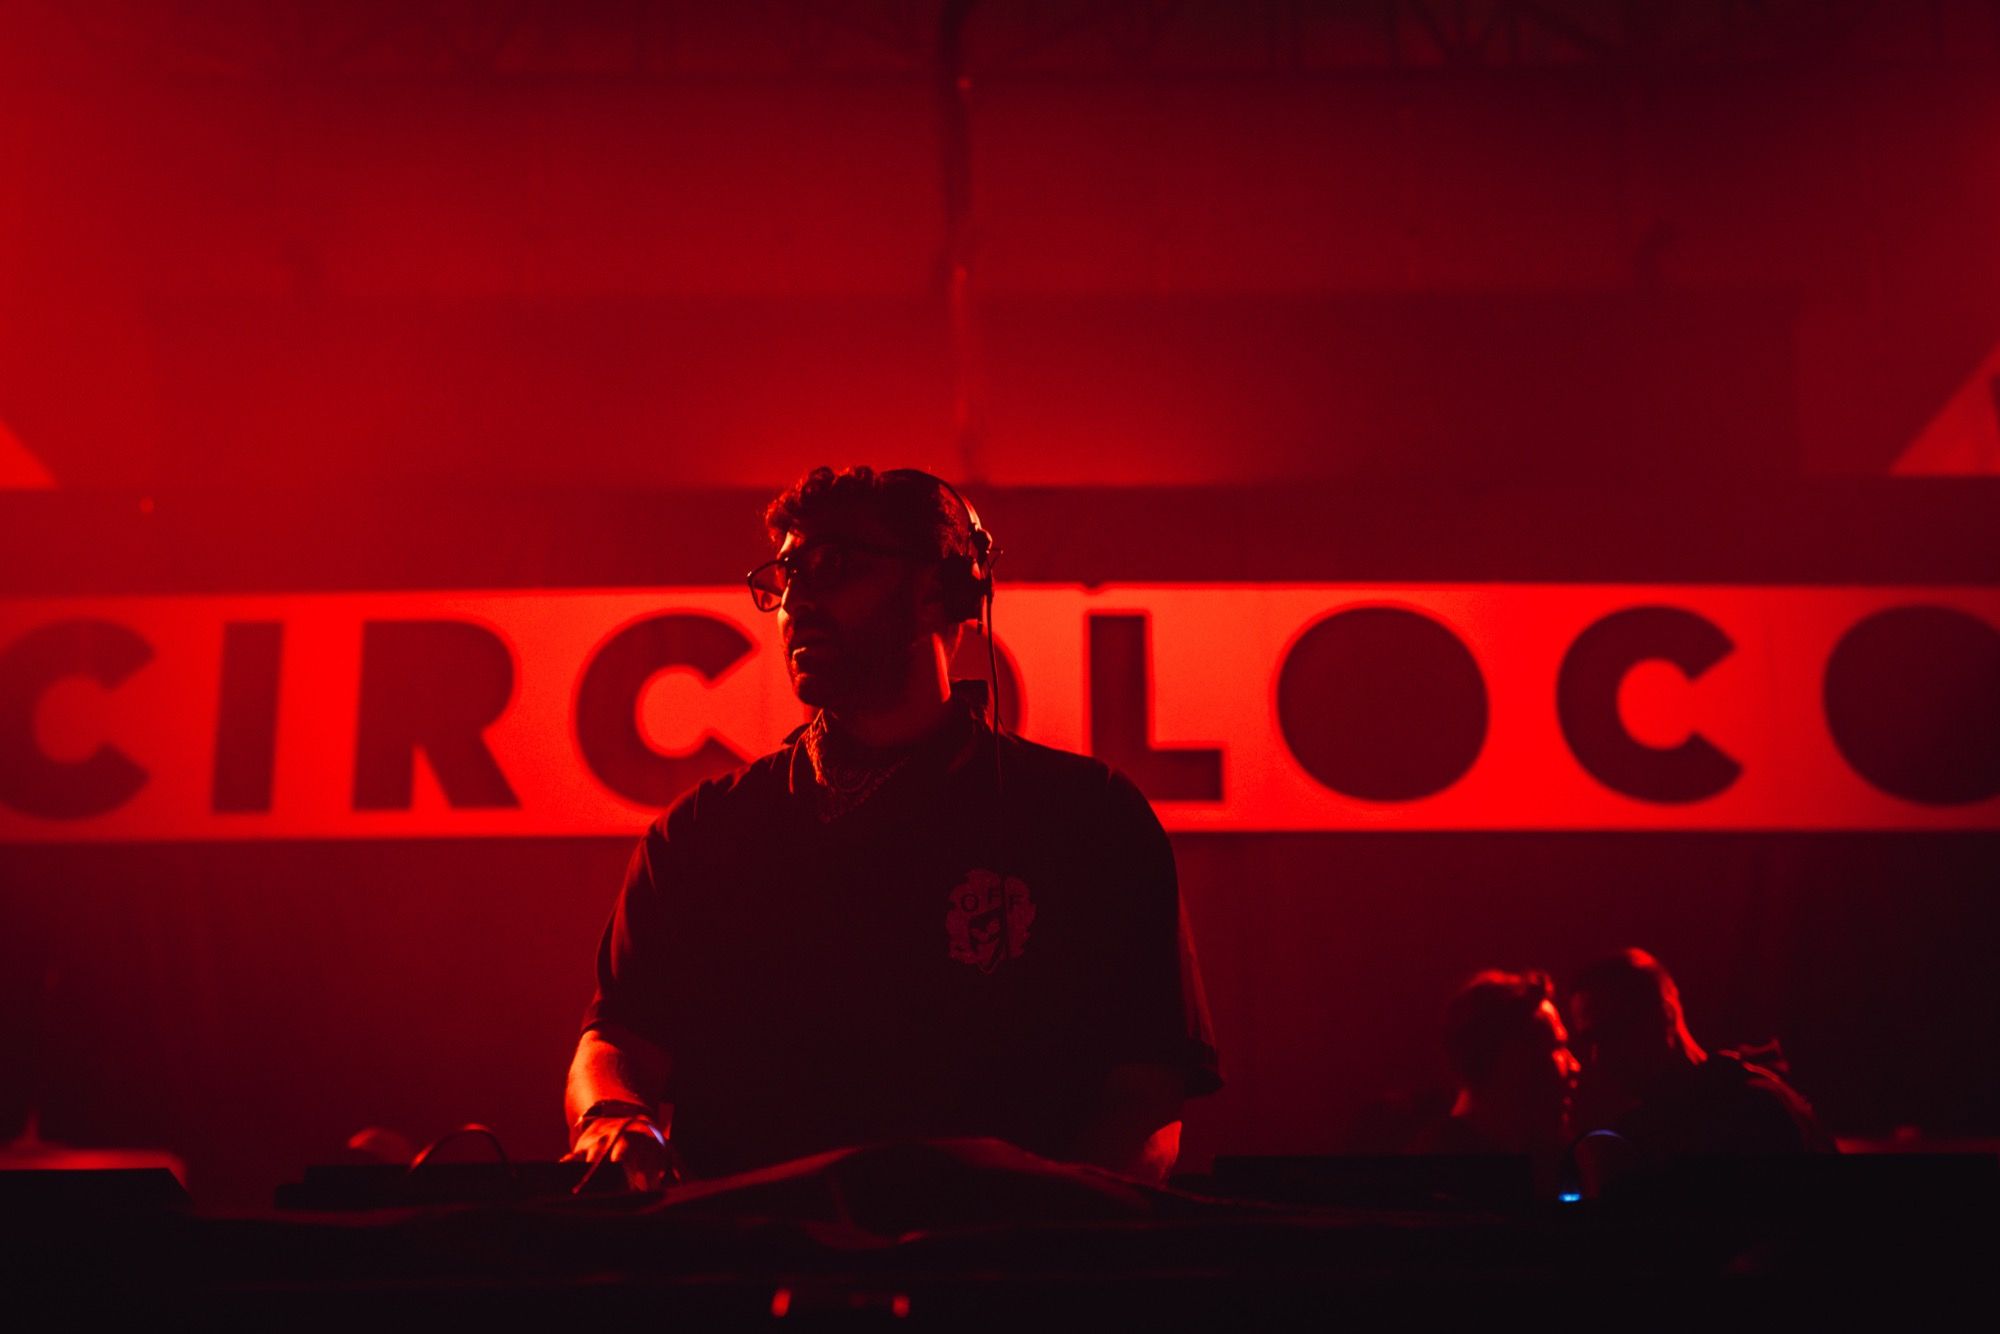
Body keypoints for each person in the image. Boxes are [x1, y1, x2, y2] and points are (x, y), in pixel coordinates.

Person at [563, 465, 1220, 1190]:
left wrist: (1060, 1231)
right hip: (747, 1250)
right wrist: (613, 1119)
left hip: (1006, 1257)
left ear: (942, 590)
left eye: (833, 567)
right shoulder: (699, 835)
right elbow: (616, 1041)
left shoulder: (1090, 821)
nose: (797, 602)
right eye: (784, 578)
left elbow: (1145, 1100)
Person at [1566, 948, 1833, 1193]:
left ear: (1666, 1015)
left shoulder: (1753, 1109)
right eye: (1590, 1040)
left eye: (1613, 1032)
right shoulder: (1642, 1127)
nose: (1597, 1057)